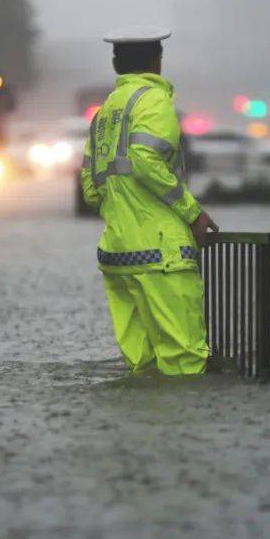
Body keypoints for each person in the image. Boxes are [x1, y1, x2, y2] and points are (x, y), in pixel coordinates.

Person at [80, 26, 218, 375]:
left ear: (116, 65)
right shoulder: (154, 102)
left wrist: (123, 213)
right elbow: (145, 160)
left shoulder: (105, 114)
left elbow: (90, 188)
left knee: (143, 368)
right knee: (185, 362)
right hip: (162, 255)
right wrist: (193, 213)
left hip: (117, 256)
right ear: (158, 61)